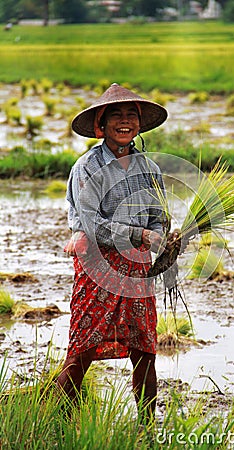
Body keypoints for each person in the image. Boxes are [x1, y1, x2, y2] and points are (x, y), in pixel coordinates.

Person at [57, 83, 172, 422]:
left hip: (138, 268)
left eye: (131, 116)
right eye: (116, 116)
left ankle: (148, 426)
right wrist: (140, 234)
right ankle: (59, 420)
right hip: (97, 265)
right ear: (101, 126)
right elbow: (93, 226)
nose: (125, 122)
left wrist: (163, 237)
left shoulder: (148, 168)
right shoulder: (87, 168)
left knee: (145, 349)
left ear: (139, 124)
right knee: (83, 347)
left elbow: (160, 216)